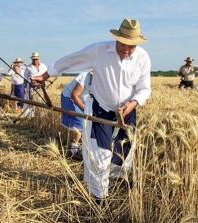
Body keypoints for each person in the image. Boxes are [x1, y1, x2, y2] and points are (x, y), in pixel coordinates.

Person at [31, 18, 151, 202]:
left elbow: (144, 89)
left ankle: (117, 183)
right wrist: (46, 76)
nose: (126, 50)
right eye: (123, 45)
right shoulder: (99, 50)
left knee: (123, 153)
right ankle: (99, 198)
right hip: (101, 110)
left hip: (127, 113)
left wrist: (133, 103)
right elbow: (72, 60)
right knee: (100, 154)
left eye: (131, 46)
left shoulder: (142, 57)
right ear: (116, 38)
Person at [61, 71, 93, 161]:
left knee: (88, 122)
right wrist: (85, 109)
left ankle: (84, 148)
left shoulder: (101, 81)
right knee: (80, 120)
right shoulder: (85, 77)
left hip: (83, 100)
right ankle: (73, 151)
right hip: (69, 97)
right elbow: (74, 95)